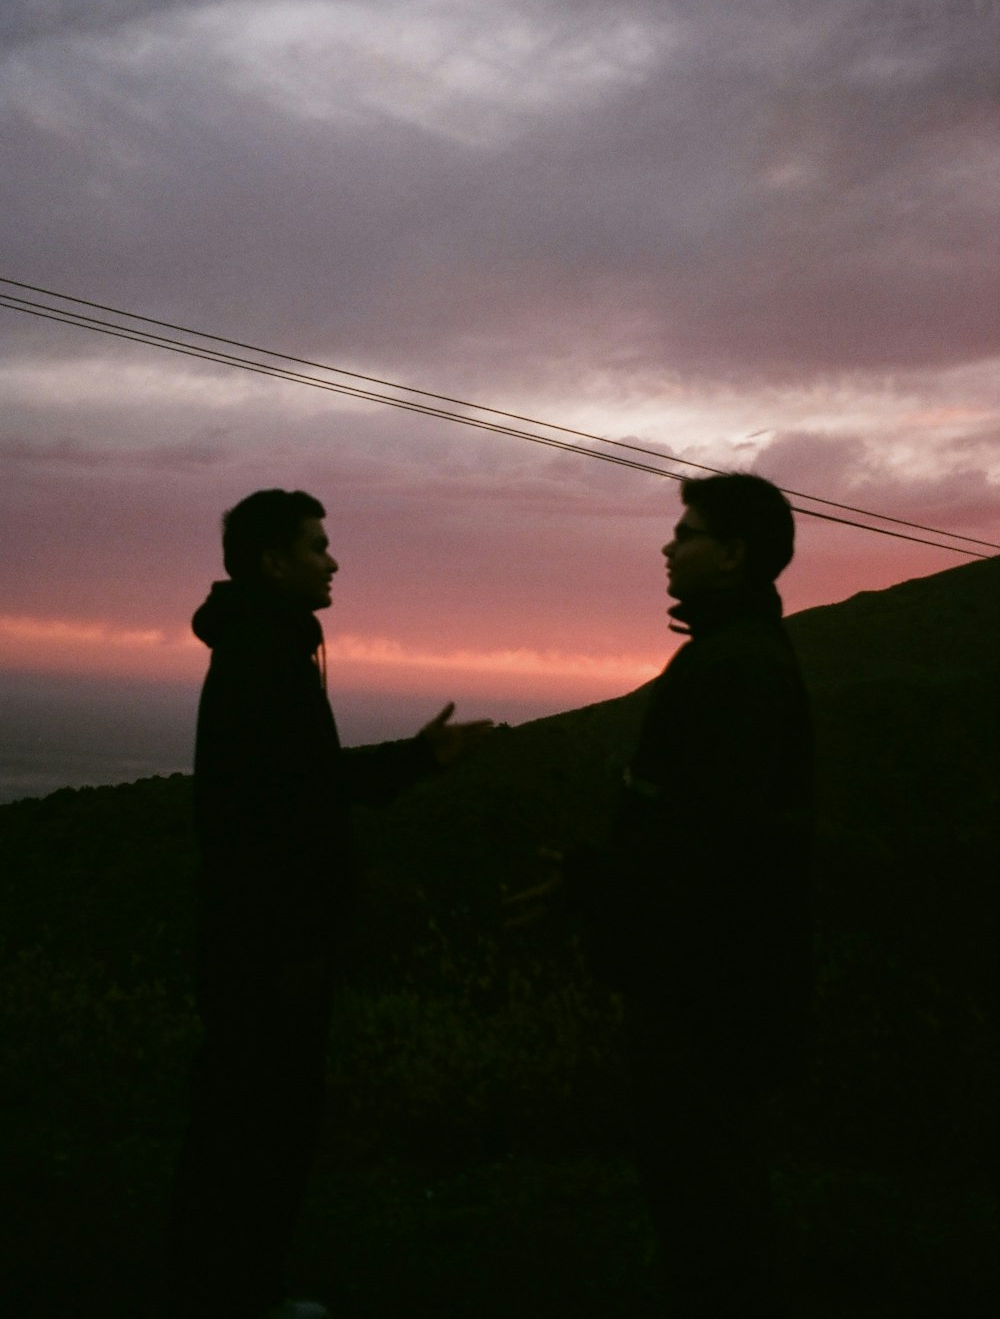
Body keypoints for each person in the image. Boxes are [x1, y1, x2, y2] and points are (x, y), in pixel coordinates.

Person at [165, 489, 491, 1319]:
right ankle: (234, 1291)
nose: (333, 559)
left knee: (246, 1122)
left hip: (262, 938)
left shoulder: (267, 647)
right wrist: (295, 941)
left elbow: (309, 783)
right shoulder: (261, 659)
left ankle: (229, 1283)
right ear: (275, 562)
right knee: (259, 1127)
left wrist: (419, 758)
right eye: (317, 546)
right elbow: (272, 818)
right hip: (270, 945)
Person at [512, 472, 814, 1317]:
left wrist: (591, 880)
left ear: (734, 553)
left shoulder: (738, 668)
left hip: (705, 983)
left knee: (706, 1185)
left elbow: (708, 844)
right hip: (706, 974)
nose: (667, 546)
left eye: (687, 531)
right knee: (704, 1181)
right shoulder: (731, 652)